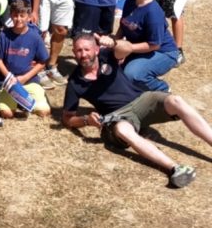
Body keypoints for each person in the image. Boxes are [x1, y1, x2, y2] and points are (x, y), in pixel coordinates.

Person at [62, 34, 212, 188]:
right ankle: (175, 169)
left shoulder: (107, 56)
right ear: (74, 52)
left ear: (96, 49)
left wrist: (114, 43)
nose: (83, 54)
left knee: (176, 101)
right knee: (122, 130)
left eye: (87, 49)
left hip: (141, 101)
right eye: (79, 50)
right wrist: (86, 120)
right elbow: (67, 119)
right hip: (119, 116)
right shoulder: (75, 82)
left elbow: (126, 48)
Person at [99, 0, 179, 92]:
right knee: (102, 55)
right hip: (139, 48)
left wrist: (129, 48)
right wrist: (114, 41)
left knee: (132, 74)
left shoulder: (153, 13)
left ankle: (163, 89)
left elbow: (155, 45)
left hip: (163, 52)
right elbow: (124, 24)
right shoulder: (130, 1)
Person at [0, 0, 51, 119]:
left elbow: (42, 61)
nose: (18, 19)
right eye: (15, 15)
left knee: (44, 111)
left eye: (22, 16)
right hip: (8, 83)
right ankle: (13, 101)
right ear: (11, 16)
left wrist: (25, 78)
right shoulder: (4, 35)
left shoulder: (35, 37)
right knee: (7, 114)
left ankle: (29, 99)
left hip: (29, 80)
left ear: (28, 17)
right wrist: (9, 77)